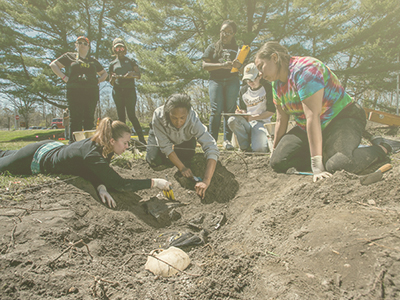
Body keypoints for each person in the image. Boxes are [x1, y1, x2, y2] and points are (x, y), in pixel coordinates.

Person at [255, 41, 397, 182]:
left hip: (342, 117)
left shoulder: (306, 70)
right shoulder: (276, 84)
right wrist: (274, 152)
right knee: (279, 162)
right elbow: (281, 119)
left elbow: (312, 116)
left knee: (338, 165)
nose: (260, 74)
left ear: (274, 58)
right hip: (307, 126)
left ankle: (383, 147)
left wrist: (316, 165)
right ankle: (327, 152)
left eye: (261, 67)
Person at [0, 117, 171, 208]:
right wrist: (154, 182)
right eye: (125, 143)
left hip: (50, 147)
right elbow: (120, 184)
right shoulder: (93, 154)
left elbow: (93, 170)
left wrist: (100, 186)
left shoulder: (104, 146)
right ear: (112, 140)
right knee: (4, 165)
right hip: (36, 157)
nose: (127, 147)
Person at [146, 94, 219, 199]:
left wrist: (206, 180)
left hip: (184, 138)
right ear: (167, 114)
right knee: (154, 160)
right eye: (174, 118)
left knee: (188, 156)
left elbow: (211, 146)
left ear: (187, 114)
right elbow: (165, 146)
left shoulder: (193, 120)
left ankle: (176, 158)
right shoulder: (158, 115)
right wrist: (182, 168)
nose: (178, 122)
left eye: (182, 118)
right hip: (162, 136)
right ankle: (172, 161)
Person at [50, 36, 107, 143]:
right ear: (76, 45)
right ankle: (73, 145)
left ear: (88, 47)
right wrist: (64, 77)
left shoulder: (93, 61)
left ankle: (89, 144)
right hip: (74, 91)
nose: (82, 45)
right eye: (79, 43)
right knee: (75, 118)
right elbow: (53, 65)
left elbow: (104, 73)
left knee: (89, 118)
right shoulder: (69, 57)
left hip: (90, 92)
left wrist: (97, 81)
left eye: (85, 43)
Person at [202, 20, 243, 150]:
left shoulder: (238, 49)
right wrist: (222, 65)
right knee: (216, 110)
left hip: (232, 80)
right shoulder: (212, 47)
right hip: (216, 81)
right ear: (220, 32)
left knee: (229, 111)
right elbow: (204, 66)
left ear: (234, 34)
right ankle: (212, 140)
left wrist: (239, 66)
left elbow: (243, 70)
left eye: (229, 33)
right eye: (223, 32)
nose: (225, 35)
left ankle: (227, 141)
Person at [227, 62, 276, 152]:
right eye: (247, 80)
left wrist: (254, 117)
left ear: (259, 76)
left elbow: (271, 111)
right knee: (232, 120)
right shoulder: (243, 90)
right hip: (247, 122)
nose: (250, 82)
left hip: (262, 123)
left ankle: (255, 140)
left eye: (252, 79)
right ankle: (244, 147)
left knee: (259, 149)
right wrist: (240, 112)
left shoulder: (267, 88)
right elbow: (243, 108)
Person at [109, 38, 146, 144]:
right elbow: (110, 81)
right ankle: (123, 142)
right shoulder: (112, 64)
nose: (119, 50)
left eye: (121, 48)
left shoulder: (130, 61)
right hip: (117, 91)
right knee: (121, 117)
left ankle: (142, 140)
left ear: (124, 49)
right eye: (117, 48)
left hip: (129, 91)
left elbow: (138, 75)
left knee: (131, 115)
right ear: (114, 50)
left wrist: (130, 75)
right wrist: (113, 78)